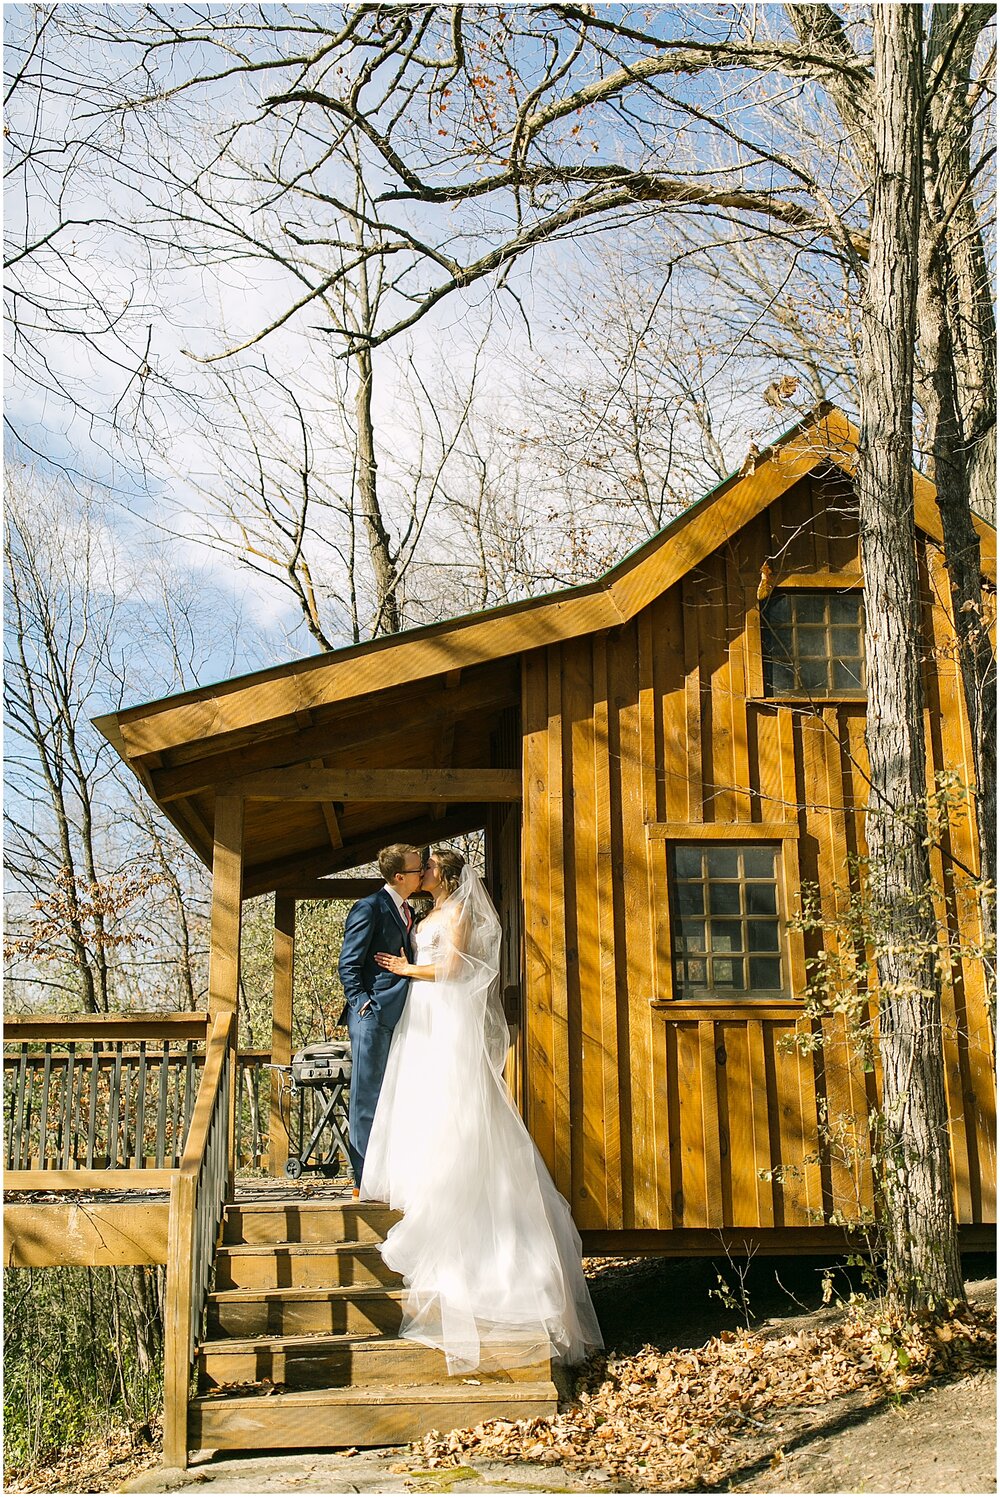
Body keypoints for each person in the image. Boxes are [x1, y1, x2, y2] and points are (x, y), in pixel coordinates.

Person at [362, 846, 603, 1375]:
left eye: (425, 869)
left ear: (442, 875)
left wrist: (408, 968)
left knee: (456, 1100)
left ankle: (454, 1190)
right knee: (423, 1098)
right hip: (423, 1018)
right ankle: (427, 1177)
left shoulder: (460, 912)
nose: (418, 874)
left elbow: (451, 968)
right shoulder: (427, 913)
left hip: (444, 1013)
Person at [337, 844, 424, 1192]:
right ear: (400, 876)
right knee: (367, 1100)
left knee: (392, 1097)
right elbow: (349, 963)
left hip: (402, 1015)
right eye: (419, 869)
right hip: (372, 1016)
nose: (423, 872)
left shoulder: (409, 911)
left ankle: (388, 1175)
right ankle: (363, 1180)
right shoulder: (369, 907)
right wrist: (362, 1005)